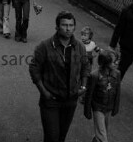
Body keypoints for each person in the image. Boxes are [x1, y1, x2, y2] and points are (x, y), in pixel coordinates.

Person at [29, 11, 91, 142]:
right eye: (64, 25)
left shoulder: (79, 46)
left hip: (71, 99)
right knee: (52, 137)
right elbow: (34, 68)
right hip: (51, 100)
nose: (68, 29)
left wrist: (84, 86)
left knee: (62, 136)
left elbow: (86, 66)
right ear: (57, 27)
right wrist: (44, 91)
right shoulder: (44, 46)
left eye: (71, 25)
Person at [84, 50, 121, 142]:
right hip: (98, 108)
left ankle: (96, 140)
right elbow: (89, 94)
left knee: (104, 130)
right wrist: (87, 110)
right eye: (113, 61)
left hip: (108, 107)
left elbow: (118, 92)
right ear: (105, 62)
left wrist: (116, 107)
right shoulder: (94, 75)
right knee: (102, 135)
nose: (116, 63)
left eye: (117, 60)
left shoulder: (117, 74)